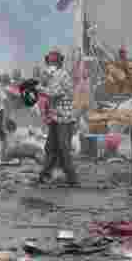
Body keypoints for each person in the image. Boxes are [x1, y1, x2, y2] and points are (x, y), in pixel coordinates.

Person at [35, 49, 80, 186]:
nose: (51, 64)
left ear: (59, 63)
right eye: (50, 62)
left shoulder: (63, 75)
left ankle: (72, 178)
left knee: (63, 148)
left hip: (65, 118)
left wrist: (40, 88)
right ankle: (45, 175)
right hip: (56, 117)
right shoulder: (52, 75)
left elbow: (55, 93)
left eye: (53, 62)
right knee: (51, 147)